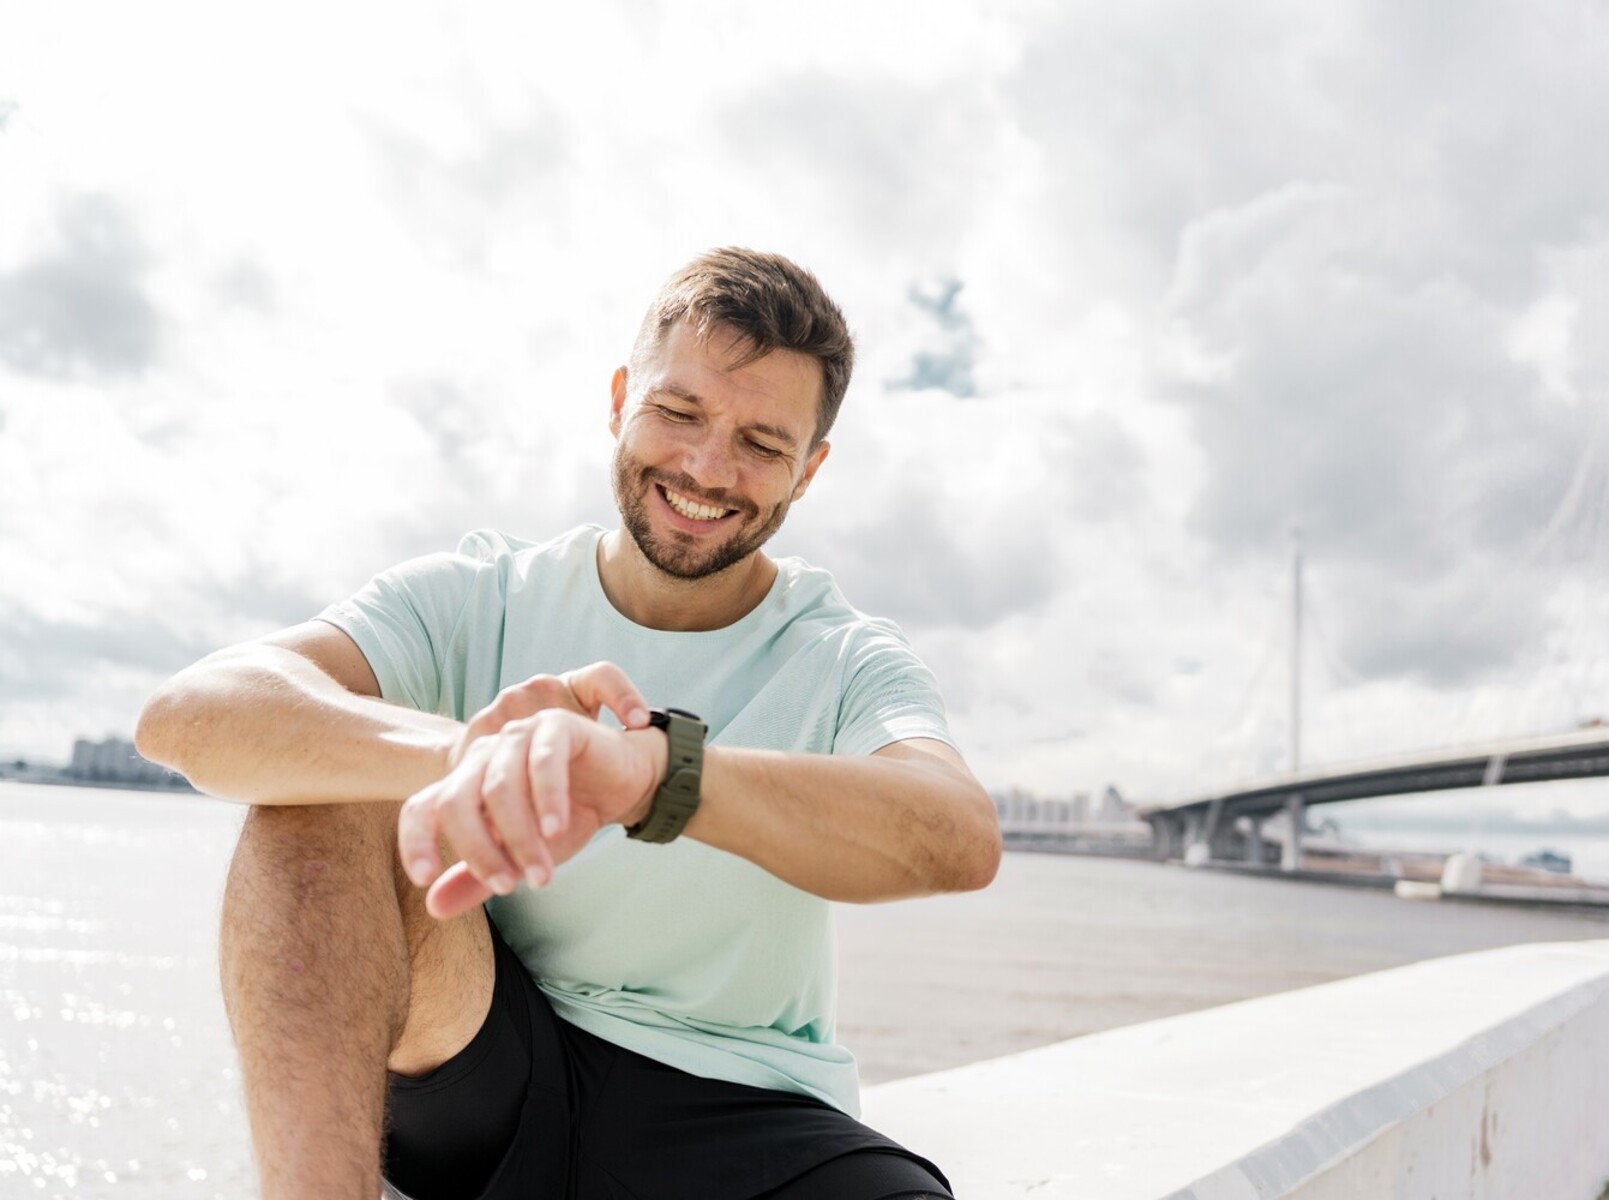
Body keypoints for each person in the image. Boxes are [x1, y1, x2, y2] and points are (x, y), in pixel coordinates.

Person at [137, 248, 1001, 1200]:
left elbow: (955, 833)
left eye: (763, 443)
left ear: (810, 471)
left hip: (741, 1103)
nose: (708, 469)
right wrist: (474, 751)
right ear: (622, 397)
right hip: (486, 1061)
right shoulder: (479, 596)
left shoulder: (842, 655)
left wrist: (647, 775)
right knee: (315, 788)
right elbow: (190, 714)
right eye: (679, 413)